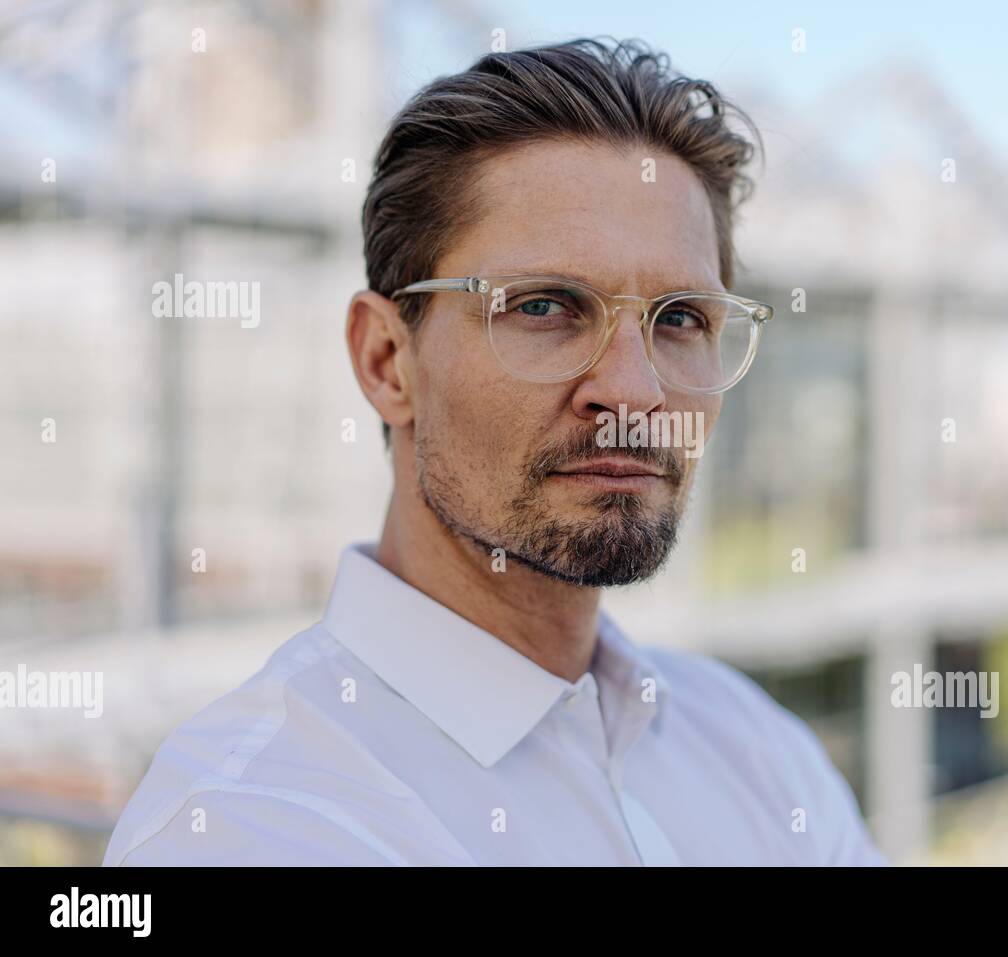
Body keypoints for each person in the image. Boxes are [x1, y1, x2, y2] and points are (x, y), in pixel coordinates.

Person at [105, 37, 884, 866]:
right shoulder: (253, 823)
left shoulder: (757, 749)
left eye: (681, 318)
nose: (634, 393)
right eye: (546, 306)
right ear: (386, 361)